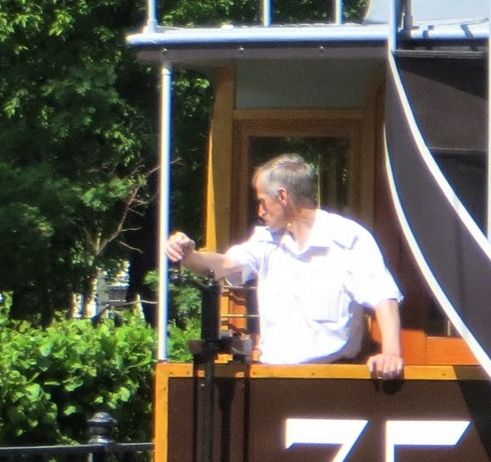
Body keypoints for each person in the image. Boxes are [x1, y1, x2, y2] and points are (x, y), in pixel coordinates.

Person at [165, 154, 404, 377]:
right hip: (275, 378)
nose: (259, 212)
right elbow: (225, 265)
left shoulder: (348, 239)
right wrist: (189, 255)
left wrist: (392, 353)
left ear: (282, 196)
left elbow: (383, 296)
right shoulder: (265, 241)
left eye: (262, 201)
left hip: (333, 381)